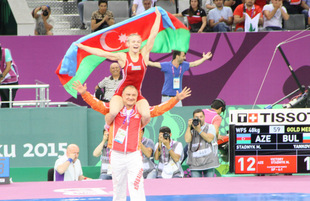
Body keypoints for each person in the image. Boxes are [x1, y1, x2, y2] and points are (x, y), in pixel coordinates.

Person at [72, 81, 191, 201]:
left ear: (137, 98)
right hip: (116, 155)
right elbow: (97, 104)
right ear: (122, 96)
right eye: (128, 95)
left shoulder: (140, 111)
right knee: (118, 187)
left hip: (134, 155)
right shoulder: (114, 109)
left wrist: (175, 99)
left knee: (137, 185)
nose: (130, 97)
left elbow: (159, 109)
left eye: (133, 95)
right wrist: (84, 93)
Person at [76, 7, 162, 130]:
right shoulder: (123, 57)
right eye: (133, 42)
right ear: (128, 44)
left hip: (136, 94)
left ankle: (135, 131)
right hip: (121, 92)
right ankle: (108, 128)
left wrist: (158, 17)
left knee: (147, 117)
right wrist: (84, 47)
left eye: (138, 41)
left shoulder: (144, 55)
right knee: (112, 113)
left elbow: (153, 35)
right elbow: (103, 53)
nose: (136, 44)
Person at [148, 50, 212, 107]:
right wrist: (140, 59)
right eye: (183, 56)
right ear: (177, 56)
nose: (185, 58)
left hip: (178, 98)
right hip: (166, 97)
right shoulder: (166, 65)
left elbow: (194, 63)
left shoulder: (184, 65)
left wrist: (204, 58)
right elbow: (153, 64)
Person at [185, 109, 219, 177]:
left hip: (209, 161)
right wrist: (189, 127)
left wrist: (199, 130)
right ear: (193, 118)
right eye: (197, 117)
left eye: (201, 117)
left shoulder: (210, 127)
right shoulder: (191, 128)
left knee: (210, 184)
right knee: (196, 185)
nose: (199, 119)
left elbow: (209, 139)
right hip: (195, 163)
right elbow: (187, 140)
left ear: (204, 117)